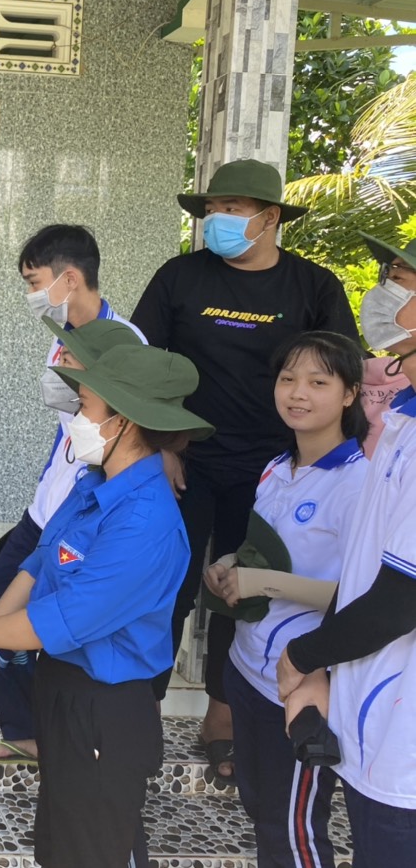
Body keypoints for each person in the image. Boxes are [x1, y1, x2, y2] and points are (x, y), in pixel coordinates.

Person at [131, 158, 358, 787]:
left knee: (246, 592)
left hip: (271, 473)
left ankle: (222, 718)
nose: (217, 221)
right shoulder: (180, 276)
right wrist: (162, 445)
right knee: (165, 587)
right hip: (185, 462)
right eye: (212, 210)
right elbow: (141, 365)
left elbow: (342, 375)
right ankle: (139, 716)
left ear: (270, 217)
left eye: (231, 209)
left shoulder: (313, 287)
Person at [0, 342, 212, 868]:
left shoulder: (144, 520)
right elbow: (38, 564)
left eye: (86, 406)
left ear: (125, 421)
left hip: (105, 708)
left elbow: (68, 617)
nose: (77, 421)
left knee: (94, 850)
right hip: (63, 689)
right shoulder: (95, 485)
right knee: (62, 843)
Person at [0, 224, 144, 763]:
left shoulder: (122, 343)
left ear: (69, 278)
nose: (31, 294)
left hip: (83, 514)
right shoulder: (64, 330)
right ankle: (30, 729)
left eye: (34, 281)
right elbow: (68, 429)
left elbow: (128, 435)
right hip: (47, 508)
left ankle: (55, 734)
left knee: (41, 621)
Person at [277, 231, 416, 868]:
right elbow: (367, 569)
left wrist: (302, 655)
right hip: (371, 726)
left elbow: (399, 601)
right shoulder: (403, 420)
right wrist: (322, 669)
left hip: (403, 751)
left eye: (404, 282)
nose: (386, 295)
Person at [204, 331, 368, 868]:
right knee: (261, 809)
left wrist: (263, 583)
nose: (298, 393)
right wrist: (231, 564)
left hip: (298, 683)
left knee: (294, 830)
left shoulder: (358, 483)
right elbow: (262, 548)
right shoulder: (278, 467)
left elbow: (362, 596)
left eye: (319, 382)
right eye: (288, 378)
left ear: (349, 394)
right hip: (247, 668)